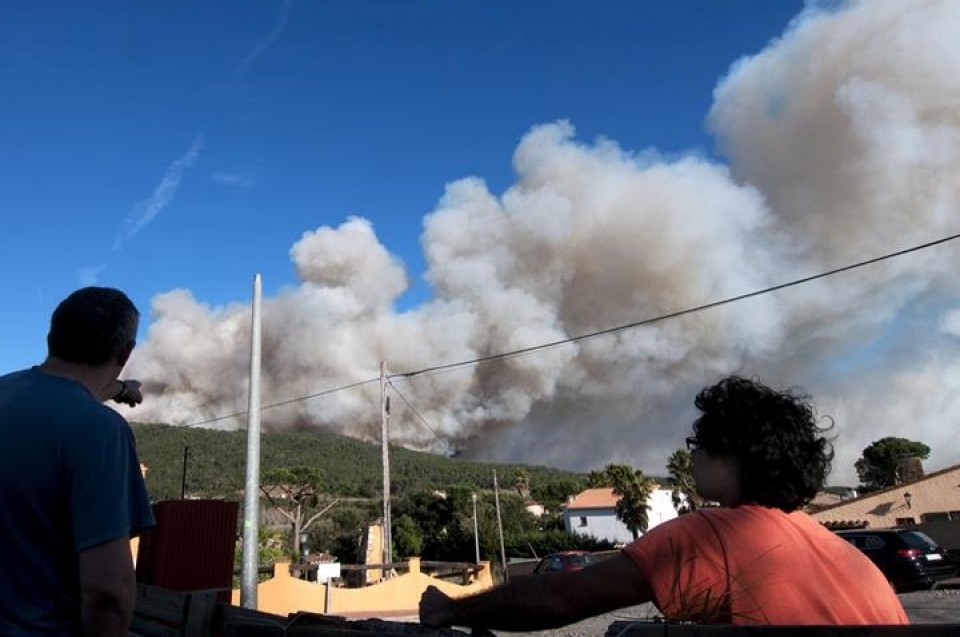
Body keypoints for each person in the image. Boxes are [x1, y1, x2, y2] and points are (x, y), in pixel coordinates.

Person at [420, 376, 908, 630]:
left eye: (701, 443)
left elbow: (558, 598)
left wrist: (453, 610)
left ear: (731, 456)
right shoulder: (847, 554)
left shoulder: (716, 533)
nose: (690, 453)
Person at [0, 287, 155, 637]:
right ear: (126, 351)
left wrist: (119, 389)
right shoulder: (99, 430)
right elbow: (108, 595)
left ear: (52, 336)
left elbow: (60, 395)